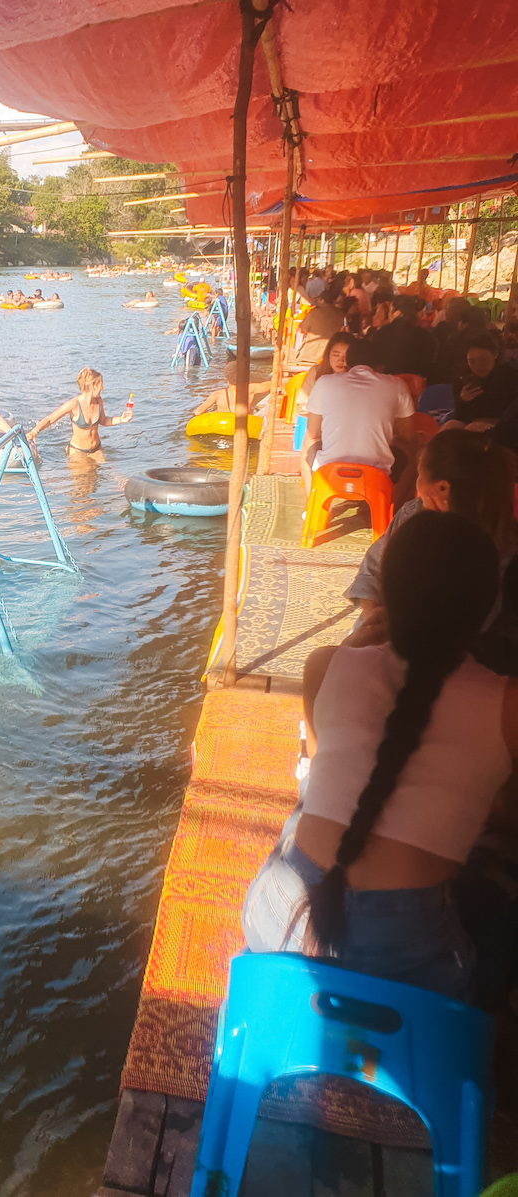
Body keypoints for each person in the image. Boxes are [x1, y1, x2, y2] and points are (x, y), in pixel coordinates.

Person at [242, 511, 518, 999]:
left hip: (278, 918)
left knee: (310, 797)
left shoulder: (326, 665)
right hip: (405, 960)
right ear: (490, 608)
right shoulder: (506, 706)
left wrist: (350, 647)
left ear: (385, 595)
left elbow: (316, 775)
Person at [346, 428, 517, 620]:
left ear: (442, 488)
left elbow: (474, 624)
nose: (416, 483)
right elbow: (373, 567)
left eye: (419, 475)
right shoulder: (412, 513)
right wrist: (372, 617)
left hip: (439, 642)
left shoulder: (498, 546)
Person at [301, 337, 414, 494]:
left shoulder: (324, 382)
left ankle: (312, 506)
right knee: (412, 449)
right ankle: (391, 509)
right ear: (380, 364)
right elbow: (407, 436)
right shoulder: (397, 385)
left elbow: (313, 432)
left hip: (330, 471)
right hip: (379, 475)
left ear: (348, 362)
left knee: (307, 438)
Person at [27, 367, 132, 456]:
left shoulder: (98, 401)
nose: (102, 388)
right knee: (82, 480)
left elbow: (103, 421)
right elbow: (50, 419)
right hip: (78, 452)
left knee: (109, 474)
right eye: (101, 385)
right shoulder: (74, 404)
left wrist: (121, 419)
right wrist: (34, 431)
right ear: (93, 386)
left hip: (96, 450)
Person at [448, 335, 518, 428]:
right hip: (471, 425)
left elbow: (512, 415)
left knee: (473, 427)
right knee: (451, 425)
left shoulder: (510, 376)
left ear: (495, 354)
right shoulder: (463, 380)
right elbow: (459, 417)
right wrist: (462, 401)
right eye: (472, 361)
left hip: (503, 428)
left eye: (483, 359)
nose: (478, 366)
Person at [369, 295, 437, 380]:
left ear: (397, 312)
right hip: (419, 386)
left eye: (390, 310)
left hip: (388, 383)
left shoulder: (380, 334)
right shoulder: (427, 336)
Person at [286, 294, 347, 373]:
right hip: (328, 357)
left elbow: (302, 329)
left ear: (322, 300)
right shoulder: (341, 315)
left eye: (318, 299)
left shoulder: (314, 312)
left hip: (309, 355)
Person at [295, 331, 353, 412]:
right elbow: (302, 402)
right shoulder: (316, 372)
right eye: (336, 355)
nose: (340, 360)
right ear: (328, 354)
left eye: (346, 356)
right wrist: (304, 409)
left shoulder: (357, 378)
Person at [192, 361, 272, 418]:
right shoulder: (250, 389)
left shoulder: (217, 395)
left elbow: (198, 411)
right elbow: (272, 385)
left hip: (222, 427)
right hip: (242, 427)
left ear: (226, 378)